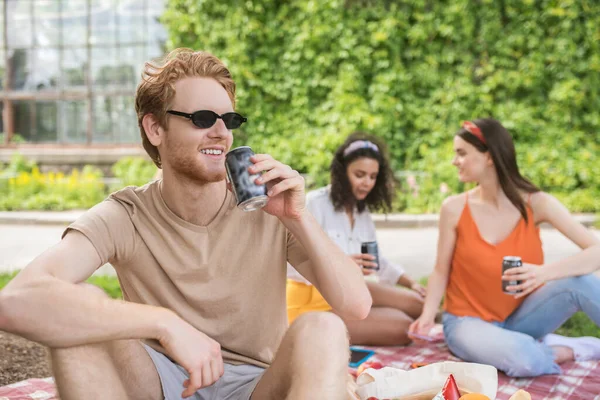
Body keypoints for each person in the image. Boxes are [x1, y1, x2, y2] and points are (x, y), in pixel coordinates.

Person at [0, 48, 373, 400]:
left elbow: (356, 306)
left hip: (257, 386)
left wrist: (299, 217)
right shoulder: (126, 214)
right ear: (155, 129)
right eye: (202, 119)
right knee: (79, 308)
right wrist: (164, 324)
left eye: (228, 120)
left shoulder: (268, 209)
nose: (221, 133)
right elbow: (16, 302)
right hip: (158, 382)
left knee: (322, 328)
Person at [409, 118, 600, 377]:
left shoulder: (536, 203)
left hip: (521, 320)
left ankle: (524, 345)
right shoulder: (453, 208)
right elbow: (441, 270)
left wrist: (544, 273)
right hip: (467, 323)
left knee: (583, 282)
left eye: (462, 153)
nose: (455, 161)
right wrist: (428, 315)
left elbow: (596, 251)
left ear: (489, 156)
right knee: (525, 360)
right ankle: (566, 350)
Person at [287, 132, 426, 346]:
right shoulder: (313, 204)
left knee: (419, 304)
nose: (367, 183)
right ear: (342, 172)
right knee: (404, 327)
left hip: (350, 292)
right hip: (313, 299)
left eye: (373, 177)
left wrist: (412, 283)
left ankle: (374, 315)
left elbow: (376, 262)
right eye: (360, 174)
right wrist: (341, 263)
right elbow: (289, 264)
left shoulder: (361, 213)